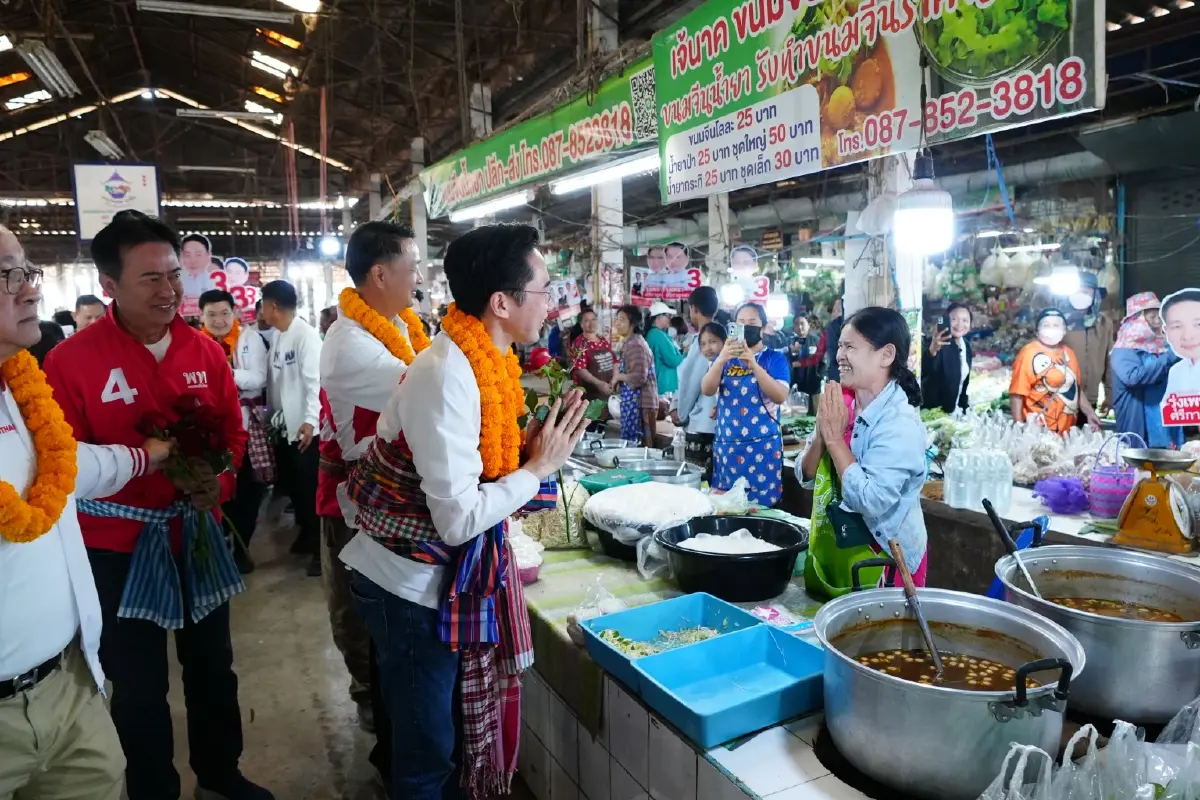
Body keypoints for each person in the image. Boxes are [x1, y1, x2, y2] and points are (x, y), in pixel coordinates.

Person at [342, 222, 590, 799]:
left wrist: (531, 449)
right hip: (409, 585)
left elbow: (481, 466)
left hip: (440, 575)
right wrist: (537, 469)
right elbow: (456, 518)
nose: (553, 303)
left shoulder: (493, 362)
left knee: (442, 741)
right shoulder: (446, 372)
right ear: (501, 302)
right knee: (429, 756)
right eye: (544, 290)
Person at [42, 211, 267, 800]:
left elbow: (234, 438)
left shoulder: (206, 352)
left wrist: (214, 487)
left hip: (196, 537)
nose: (170, 290)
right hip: (116, 550)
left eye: (174, 275)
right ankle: (152, 789)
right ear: (110, 286)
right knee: (137, 685)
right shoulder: (71, 362)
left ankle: (220, 775)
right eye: (151, 279)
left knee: (212, 668)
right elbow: (63, 465)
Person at [0, 225, 172, 799]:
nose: (28, 291)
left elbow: (62, 467)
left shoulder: (18, 389)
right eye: (6, 276)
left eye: (27, 271)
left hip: (69, 688)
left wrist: (144, 458)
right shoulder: (70, 362)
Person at [318, 221, 426, 759]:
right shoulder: (351, 345)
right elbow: (428, 388)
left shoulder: (398, 324)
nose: (419, 278)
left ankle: (390, 724)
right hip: (360, 501)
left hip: (390, 496)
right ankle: (380, 726)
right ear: (379, 274)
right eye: (413, 267)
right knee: (367, 619)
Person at [799, 307, 929, 587]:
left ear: (886, 355)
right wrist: (823, 436)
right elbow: (806, 476)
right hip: (839, 548)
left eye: (850, 347)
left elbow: (872, 501)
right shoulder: (842, 400)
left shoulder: (899, 422)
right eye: (839, 346)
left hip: (887, 561)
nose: (839, 356)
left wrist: (834, 440)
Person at [200, 289, 271, 574]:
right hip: (209, 428)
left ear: (236, 313)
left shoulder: (249, 339)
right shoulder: (195, 343)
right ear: (201, 316)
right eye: (212, 314)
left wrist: (226, 374)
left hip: (246, 425)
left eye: (225, 313)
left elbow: (259, 379)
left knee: (249, 490)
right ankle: (220, 543)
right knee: (214, 486)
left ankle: (242, 547)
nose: (219, 320)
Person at [261, 279, 323, 577]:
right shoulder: (279, 337)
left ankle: (319, 551)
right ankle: (305, 533)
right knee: (295, 490)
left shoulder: (305, 336)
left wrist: (311, 420)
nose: (261, 311)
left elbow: (314, 382)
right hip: (285, 428)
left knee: (310, 490)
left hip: (305, 430)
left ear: (273, 306)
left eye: (263, 305)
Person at [702, 302, 790, 506]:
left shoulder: (774, 359)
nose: (746, 326)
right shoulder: (723, 360)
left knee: (762, 511)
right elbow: (707, 389)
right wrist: (722, 358)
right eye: (741, 322)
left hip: (763, 448)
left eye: (752, 322)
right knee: (727, 509)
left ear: (763, 327)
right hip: (728, 449)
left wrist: (753, 364)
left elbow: (779, 396)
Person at [1010, 308, 1101, 433]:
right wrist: (1018, 427)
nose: (1051, 329)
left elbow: (1076, 390)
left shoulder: (1069, 353)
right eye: (1046, 325)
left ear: (1064, 331)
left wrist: (1090, 413)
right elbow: (1017, 394)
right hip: (1038, 432)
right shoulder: (1028, 353)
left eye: (1056, 325)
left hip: (1067, 432)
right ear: (1037, 331)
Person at [1110, 292, 1180, 448]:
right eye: (1151, 316)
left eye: (1159, 316)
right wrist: (1169, 357)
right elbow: (1133, 377)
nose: (1157, 321)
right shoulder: (1123, 349)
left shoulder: (1164, 346)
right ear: (1137, 319)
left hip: (1163, 419)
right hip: (1138, 423)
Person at [674, 286, 720, 471]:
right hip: (720, 424)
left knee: (700, 485)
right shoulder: (722, 336)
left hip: (702, 425)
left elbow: (690, 381)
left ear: (694, 309)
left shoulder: (704, 339)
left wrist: (681, 413)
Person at [1061, 271, 1114, 418]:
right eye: (1076, 291)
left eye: (1085, 291)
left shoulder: (1104, 324)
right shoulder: (1059, 321)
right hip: (1062, 394)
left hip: (1091, 396)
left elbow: (1109, 360)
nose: (1080, 295)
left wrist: (1110, 394)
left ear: (1095, 295)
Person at [612, 304, 659, 446]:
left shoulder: (636, 344)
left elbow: (639, 377)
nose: (617, 323)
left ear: (633, 323)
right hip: (633, 403)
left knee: (639, 448)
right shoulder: (629, 342)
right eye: (617, 319)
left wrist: (619, 377)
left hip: (640, 405)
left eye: (622, 319)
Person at [922, 302, 974, 413]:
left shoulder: (966, 346)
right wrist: (933, 350)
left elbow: (964, 384)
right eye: (954, 319)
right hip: (934, 414)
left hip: (955, 413)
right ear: (945, 320)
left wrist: (964, 409)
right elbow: (924, 371)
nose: (960, 324)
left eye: (965, 320)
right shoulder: (936, 343)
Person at [1160, 289, 1200, 413]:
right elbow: (1168, 411)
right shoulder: (1176, 372)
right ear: (1166, 331)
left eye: (1198, 324)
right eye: (1177, 326)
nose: (1188, 336)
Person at [570, 306, 615, 401]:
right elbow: (579, 369)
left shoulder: (603, 341)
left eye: (594, 319)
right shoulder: (579, 343)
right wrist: (599, 383)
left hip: (609, 391)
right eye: (587, 320)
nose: (591, 323)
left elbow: (614, 361)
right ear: (581, 324)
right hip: (590, 396)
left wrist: (614, 379)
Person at [646, 301, 686, 394]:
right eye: (668, 316)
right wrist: (685, 353)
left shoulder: (654, 334)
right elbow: (672, 361)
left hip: (659, 384)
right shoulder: (658, 335)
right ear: (658, 317)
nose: (670, 319)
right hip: (664, 386)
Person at [788, 315, 822, 411]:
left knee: (814, 413)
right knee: (795, 413)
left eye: (802, 323)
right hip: (794, 384)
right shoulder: (789, 341)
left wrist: (819, 375)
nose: (799, 327)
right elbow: (786, 360)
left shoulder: (816, 341)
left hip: (812, 384)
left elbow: (823, 361)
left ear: (808, 325)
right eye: (796, 324)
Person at [180, 233, 215, 315]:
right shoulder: (172, 283)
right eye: (187, 255)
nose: (193, 261)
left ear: (208, 255)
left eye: (198, 255)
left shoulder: (216, 281)